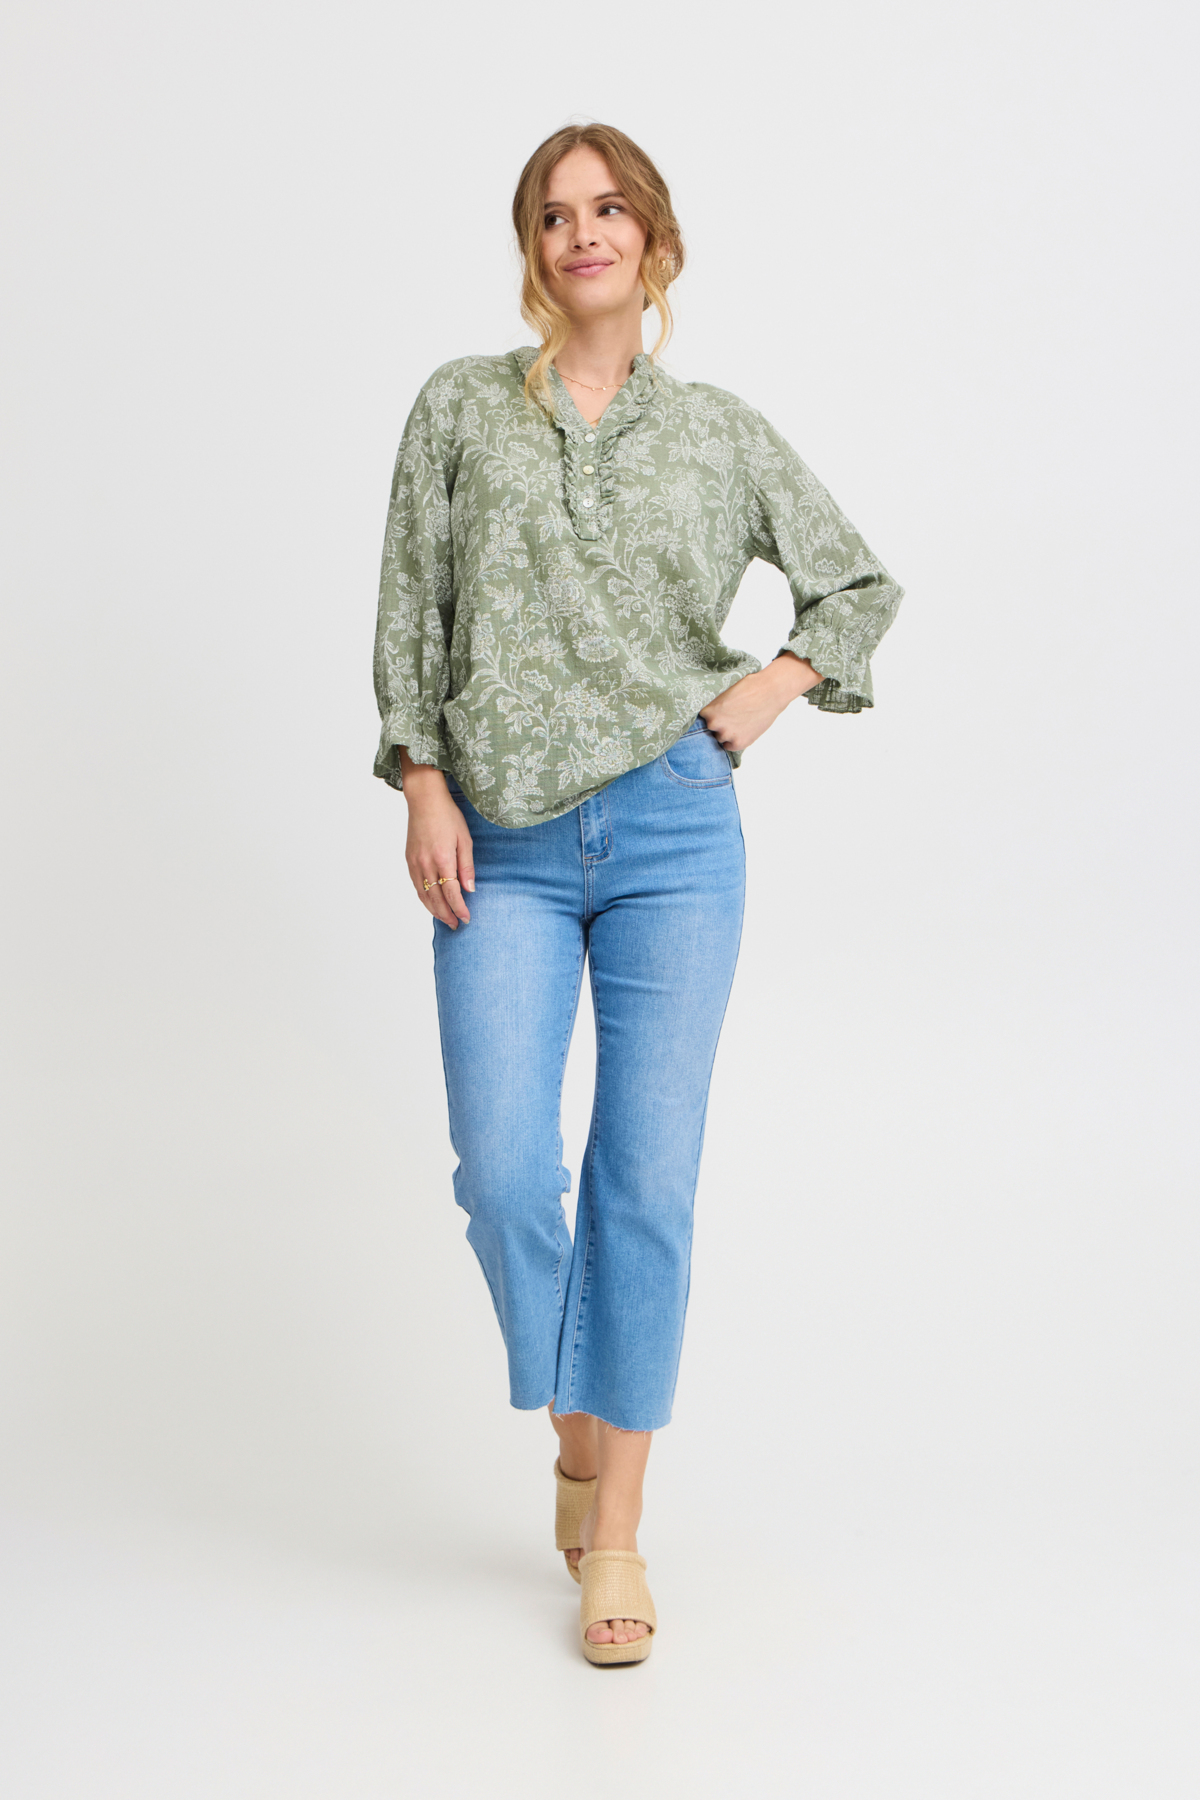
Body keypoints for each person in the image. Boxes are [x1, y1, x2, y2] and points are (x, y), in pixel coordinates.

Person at [372, 123, 903, 1664]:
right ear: (532, 250)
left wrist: (775, 685)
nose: (583, 233)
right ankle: (578, 1421)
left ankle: (616, 1531)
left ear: (654, 241)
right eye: (555, 215)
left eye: (609, 209)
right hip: (503, 836)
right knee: (503, 1170)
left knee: (645, 1184)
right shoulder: (462, 407)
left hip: (675, 833)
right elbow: (413, 609)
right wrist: (421, 780)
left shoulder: (719, 434)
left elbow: (860, 582)